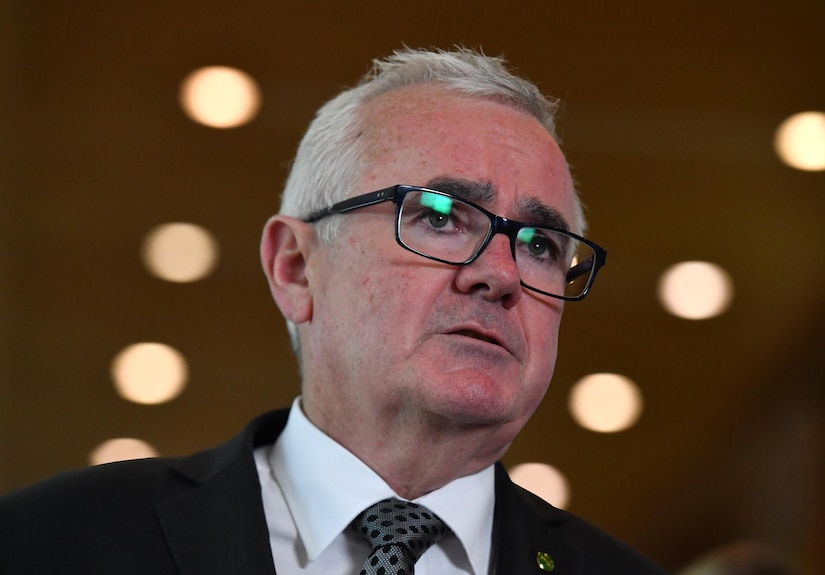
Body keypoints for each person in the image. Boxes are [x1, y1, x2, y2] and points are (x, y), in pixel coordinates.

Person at [0, 47, 667, 574]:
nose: (500, 273)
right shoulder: (45, 542)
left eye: (542, 244)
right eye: (439, 216)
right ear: (295, 265)